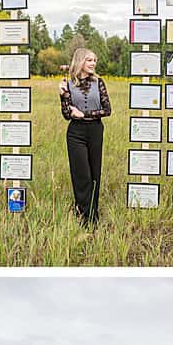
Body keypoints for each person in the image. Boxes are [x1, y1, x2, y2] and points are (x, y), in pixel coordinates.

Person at [59, 48, 112, 225]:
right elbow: (67, 114)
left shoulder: (99, 83)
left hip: (95, 131)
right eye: (89, 60)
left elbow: (107, 110)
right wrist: (62, 97)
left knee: (94, 173)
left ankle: (92, 212)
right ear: (80, 61)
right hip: (76, 133)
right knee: (81, 174)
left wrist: (84, 114)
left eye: (94, 60)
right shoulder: (67, 84)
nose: (93, 63)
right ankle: (84, 214)